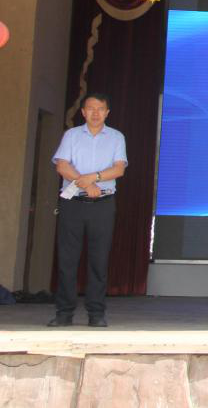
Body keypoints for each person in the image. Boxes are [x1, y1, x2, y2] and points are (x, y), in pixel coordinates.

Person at [48, 92, 128, 327]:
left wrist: (94, 178)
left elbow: (119, 169)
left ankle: (96, 313)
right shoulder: (72, 135)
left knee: (99, 260)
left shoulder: (116, 137)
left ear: (107, 113)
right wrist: (87, 184)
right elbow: (62, 165)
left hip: (103, 205)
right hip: (72, 204)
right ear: (83, 112)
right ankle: (64, 313)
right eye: (91, 108)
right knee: (67, 259)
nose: (95, 113)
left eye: (100, 109)